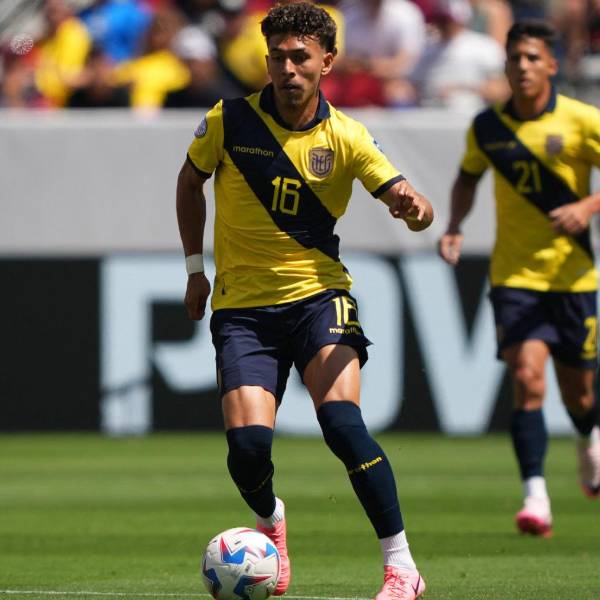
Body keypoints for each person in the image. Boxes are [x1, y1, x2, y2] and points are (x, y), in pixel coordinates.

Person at [176, 3, 433, 599]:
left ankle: (401, 567)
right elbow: (190, 182)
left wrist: (416, 209)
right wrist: (194, 270)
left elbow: (408, 201)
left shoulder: (346, 136)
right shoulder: (228, 120)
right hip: (243, 309)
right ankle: (270, 520)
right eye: (278, 58)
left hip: (319, 298)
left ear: (327, 62)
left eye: (300, 57)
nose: (288, 69)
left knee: (343, 425)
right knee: (248, 450)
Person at [439, 20, 600, 538]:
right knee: (528, 379)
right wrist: (454, 226)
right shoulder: (488, 127)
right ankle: (536, 496)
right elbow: (467, 177)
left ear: (552, 65)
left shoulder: (582, 120)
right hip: (514, 277)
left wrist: (587, 206)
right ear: (505, 66)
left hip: (574, 278)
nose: (524, 67)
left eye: (533, 58)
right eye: (515, 58)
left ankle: (588, 439)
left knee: (579, 396)